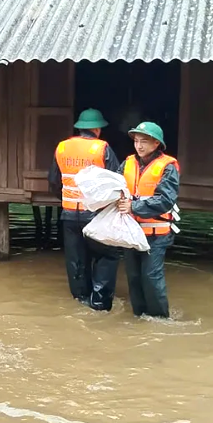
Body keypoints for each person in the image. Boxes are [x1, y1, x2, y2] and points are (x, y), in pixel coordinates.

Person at [47, 109, 122, 311]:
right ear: (97, 129)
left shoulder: (62, 148)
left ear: (79, 129)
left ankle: (80, 299)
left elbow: (54, 182)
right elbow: (115, 181)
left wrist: (66, 200)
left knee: (76, 258)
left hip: (70, 213)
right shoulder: (102, 148)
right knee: (107, 254)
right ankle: (99, 302)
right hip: (94, 214)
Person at [117, 122, 180, 319]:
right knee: (134, 277)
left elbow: (165, 199)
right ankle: (139, 316)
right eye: (136, 141)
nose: (139, 145)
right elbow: (115, 186)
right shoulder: (127, 163)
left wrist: (133, 207)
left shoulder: (168, 166)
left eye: (144, 141)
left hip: (156, 234)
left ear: (156, 144)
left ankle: (160, 319)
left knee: (151, 277)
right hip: (131, 231)